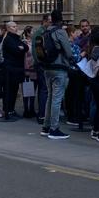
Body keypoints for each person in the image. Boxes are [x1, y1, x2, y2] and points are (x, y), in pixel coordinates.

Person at [37, 9, 73, 140]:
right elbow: (68, 52)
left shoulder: (45, 31)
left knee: (50, 98)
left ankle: (46, 127)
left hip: (47, 68)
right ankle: (54, 129)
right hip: (59, 68)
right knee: (57, 99)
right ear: (61, 19)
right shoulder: (60, 31)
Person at [0, 21, 27, 121]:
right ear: (9, 28)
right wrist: (21, 48)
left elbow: (26, 47)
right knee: (8, 91)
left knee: (14, 90)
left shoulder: (16, 38)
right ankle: (7, 111)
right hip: (10, 69)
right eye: (14, 27)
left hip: (17, 69)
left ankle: (11, 110)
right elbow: (16, 51)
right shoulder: (8, 39)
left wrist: (22, 48)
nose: (16, 28)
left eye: (16, 26)